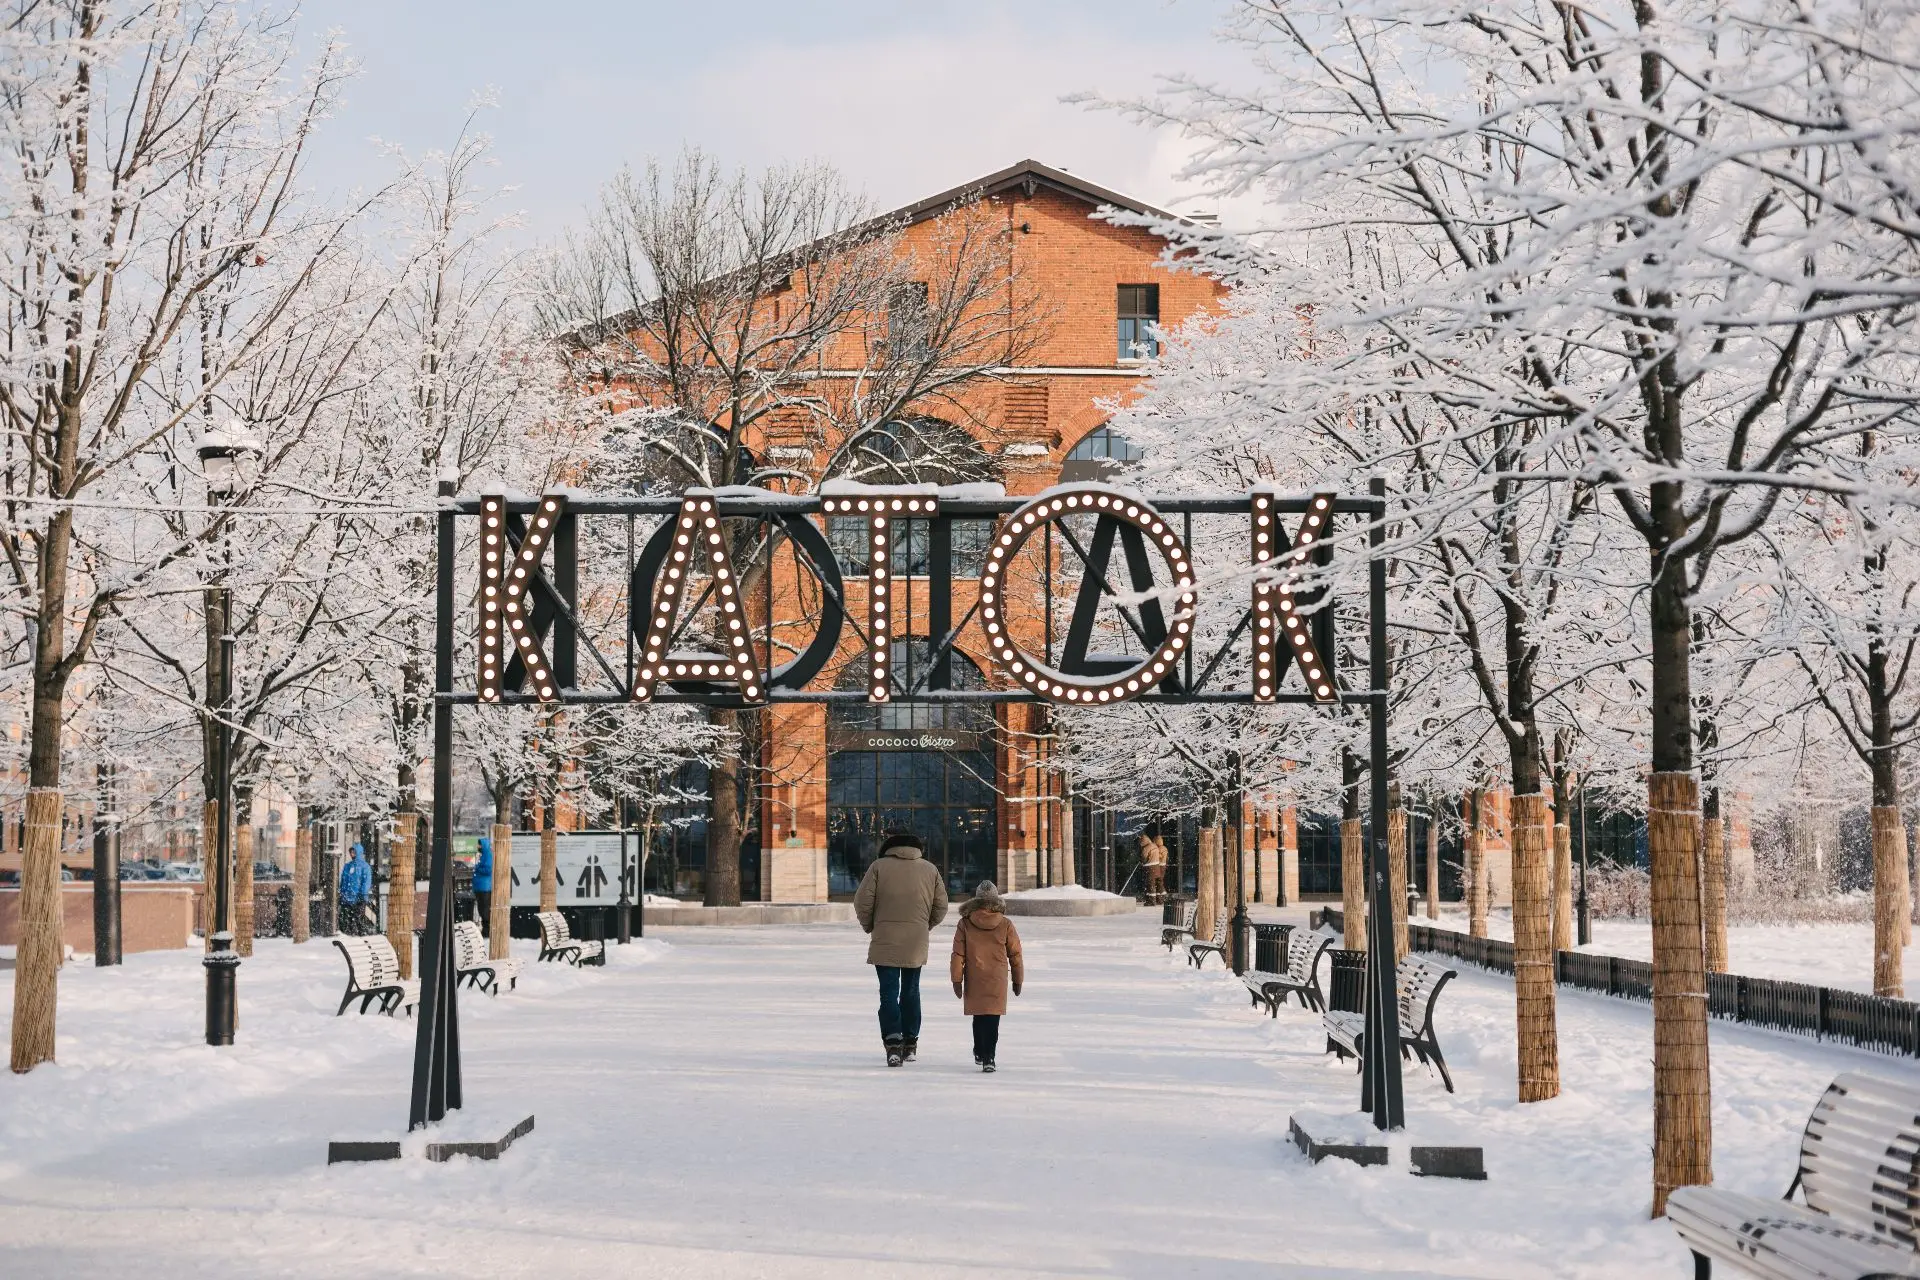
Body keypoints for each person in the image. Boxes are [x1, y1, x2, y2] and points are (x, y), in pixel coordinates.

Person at [853, 830, 948, 1067]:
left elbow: (862, 901)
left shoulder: (878, 867)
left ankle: (893, 1041)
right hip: (915, 940)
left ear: (889, 848)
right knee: (911, 991)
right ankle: (911, 1042)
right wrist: (924, 926)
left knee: (888, 992)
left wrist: (871, 926)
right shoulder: (930, 869)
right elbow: (941, 906)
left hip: (885, 937)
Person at [950, 881, 1023, 1073]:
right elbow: (1015, 954)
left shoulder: (965, 923)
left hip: (975, 976)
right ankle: (989, 1055)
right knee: (992, 1018)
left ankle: (979, 1051)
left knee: (979, 1016)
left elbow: (958, 954)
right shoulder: (1005, 924)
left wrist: (956, 980)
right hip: (997, 977)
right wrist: (1018, 979)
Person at [338, 842, 373, 936]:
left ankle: (361, 937)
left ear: (358, 852)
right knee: (347, 921)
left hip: (358, 898)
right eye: (351, 852)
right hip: (347, 898)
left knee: (358, 919)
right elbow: (343, 881)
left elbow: (366, 882)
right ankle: (351, 937)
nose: (352, 854)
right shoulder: (347, 866)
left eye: (354, 852)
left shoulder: (365, 866)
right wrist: (341, 893)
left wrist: (362, 895)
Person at [1139, 824, 1169, 904]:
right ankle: (1161, 899)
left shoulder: (1147, 848)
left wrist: (1142, 862)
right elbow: (1161, 856)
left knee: (1151, 883)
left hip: (1151, 867)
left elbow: (1144, 857)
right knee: (1159, 883)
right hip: (1158, 867)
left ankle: (1152, 900)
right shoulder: (1158, 847)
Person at [473, 835, 493, 935]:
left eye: (480, 845)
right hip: (480, 887)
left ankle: (487, 929)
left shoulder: (488, 855)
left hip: (485, 887)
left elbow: (488, 870)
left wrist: (477, 869)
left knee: (484, 909)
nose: (478, 846)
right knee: (482, 909)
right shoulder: (482, 855)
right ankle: (486, 928)